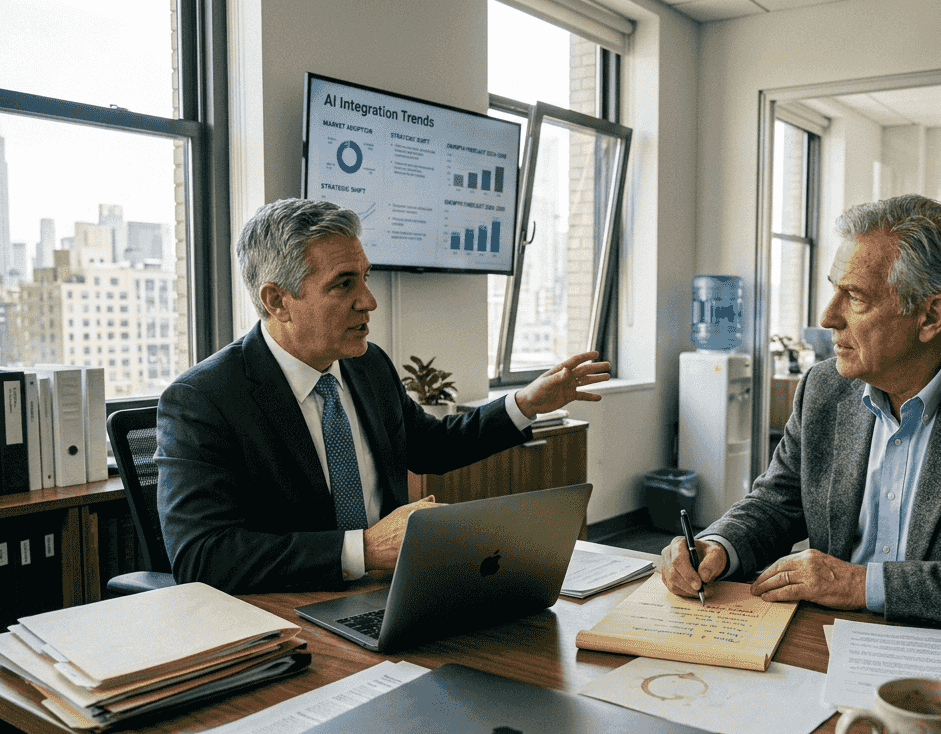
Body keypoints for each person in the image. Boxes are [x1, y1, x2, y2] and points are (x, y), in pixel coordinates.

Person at [661, 194, 941, 633]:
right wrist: (719, 544)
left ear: (931, 316)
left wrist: (865, 585)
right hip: (826, 639)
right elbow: (777, 503)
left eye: (854, 297)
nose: (828, 316)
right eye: (833, 290)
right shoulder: (824, 388)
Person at [156, 198, 611, 593]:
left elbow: (431, 445)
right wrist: (366, 549)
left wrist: (526, 404)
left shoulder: (367, 364)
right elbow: (202, 556)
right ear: (277, 301)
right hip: (289, 610)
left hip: (391, 592)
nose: (369, 300)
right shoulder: (203, 400)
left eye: (366, 278)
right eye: (344, 283)